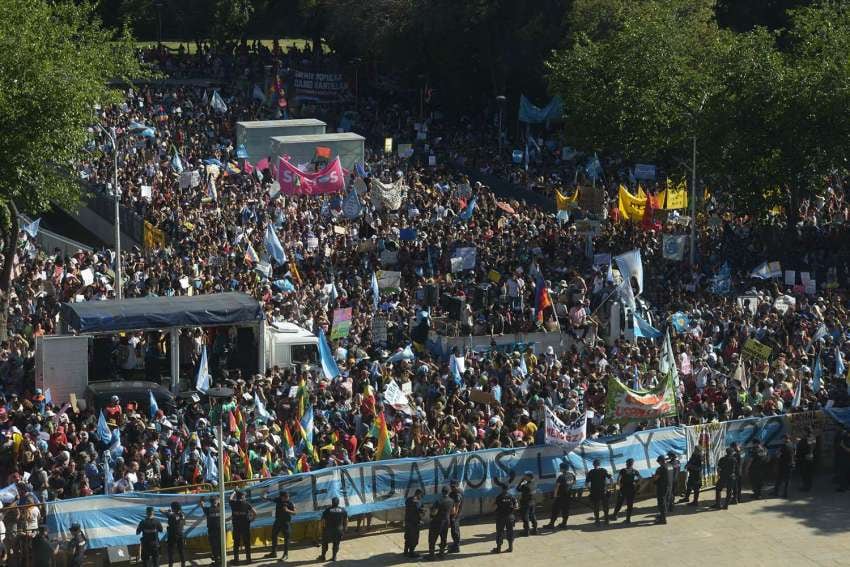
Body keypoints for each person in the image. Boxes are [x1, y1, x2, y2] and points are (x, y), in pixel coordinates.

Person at [265, 487, 296, 560]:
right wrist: (265, 493)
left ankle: (285, 555)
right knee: (273, 536)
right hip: (277, 522)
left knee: (286, 538)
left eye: (288, 496)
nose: (287, 498)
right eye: (285, 497)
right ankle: (273, 553)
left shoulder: (290, 503)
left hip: (286, 523)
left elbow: (295, 513)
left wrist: (288, 510)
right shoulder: (278, 500)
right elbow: (266, 498)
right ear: (281, 497)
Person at [230, 489, 257, 563]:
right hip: (245, 524)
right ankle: (248, 559)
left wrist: (234, 493)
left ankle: (236, 560)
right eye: (244, 495)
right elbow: (255, 512)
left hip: (236, 525)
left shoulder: (233, 503)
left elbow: (230, 498)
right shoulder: (246, 504)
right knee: (247, 542)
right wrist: (252, 519)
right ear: (242, 496)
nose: (245, 496)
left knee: (236, 542)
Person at [427, 487, 454, 559]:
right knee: (443, 538)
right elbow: (452, 512)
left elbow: (434, 512)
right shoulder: (451, 501)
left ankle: (431, 555)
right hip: (446, 521)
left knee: (432, 538)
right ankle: (441, 553)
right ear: (448, 492)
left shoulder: (439, 501)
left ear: (442, 492)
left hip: (437, 522)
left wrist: (431, 513)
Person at [612, 458, 641, 523]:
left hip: (623, 489)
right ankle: (628, 519)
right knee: (630, 504)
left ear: (626, 463)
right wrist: (636, 485)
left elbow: (618, 480)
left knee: (619, 503)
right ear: (632, 464)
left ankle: (614, 515)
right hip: (631, 489)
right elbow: (640, 478)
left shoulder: (623, 470)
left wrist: (619, 486)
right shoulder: (635, 471)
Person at [492, 481, 518, 553]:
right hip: (510, 517)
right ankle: (510, 548)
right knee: (510, 532)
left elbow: (493, 506)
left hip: (501, 517)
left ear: (502, 489)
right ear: (508, 489)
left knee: (500, 532)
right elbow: (516, 506)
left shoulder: (499, 497)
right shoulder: (512, 496)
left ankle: (498, 548)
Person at [319, 496, 348, 562]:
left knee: (325, 543)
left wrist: (322, 529)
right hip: (338, 530)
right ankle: (334, 557)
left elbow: (322, 521)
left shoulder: (327, 510)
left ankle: (323, 557)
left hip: (328, 530)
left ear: (332, 502)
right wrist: (345, 528)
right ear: (338, 503)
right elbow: (346, 520)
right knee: (336, 544)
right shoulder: (343, 510)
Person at [548, 462, 575, 529]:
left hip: (560, 496)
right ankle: (564, 524)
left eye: (560, 468)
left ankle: (551, 524)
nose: (559, 469)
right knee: (565, 510)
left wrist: (555, 495)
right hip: (568, 495)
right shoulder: (571, 475)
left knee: (555, 510)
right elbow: (574, 482)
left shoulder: (561, 476)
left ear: (563, 469)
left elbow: (557, 486)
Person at [586, 459, 612, 526]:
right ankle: (606, 520)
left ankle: (597, 521)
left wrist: (590, 490)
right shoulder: (603, 470)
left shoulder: (591, 472)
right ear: (599, 464)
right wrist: (608, 487)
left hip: (594, 491)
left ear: (593, 464)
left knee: (596, 506)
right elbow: (610, 478)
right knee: (605, 506)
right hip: (603, 491)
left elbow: (587, 483)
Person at [161, 501, 185, 567]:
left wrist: (168, 511)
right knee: (181, 550)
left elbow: (160, 510)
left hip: (172, 535)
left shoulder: (171, 515)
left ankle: (171, 565)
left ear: (173, 508)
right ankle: (183, 563)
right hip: (180, 534)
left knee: (171, 551)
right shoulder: (182, 514)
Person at [200, 496, 222, 564]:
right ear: (217, 502)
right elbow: (202, 505)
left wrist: (202, 499)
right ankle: (220, 559)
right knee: (219, 544)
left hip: (213, 530)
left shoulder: (208, 509)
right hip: (219, 530)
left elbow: (202, 505)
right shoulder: (221, 509)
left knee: (214, 545)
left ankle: (216, 560)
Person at [404, 489, 424, 557]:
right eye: (421, 495)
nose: (421, 497)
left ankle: (406, 551)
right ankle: (411, 553)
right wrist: (422, 513)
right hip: (414, 524)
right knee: (414, 539)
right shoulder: (418, 502)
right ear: (419, 494)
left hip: (407, 522)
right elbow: (420, 513)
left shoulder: (408, 500)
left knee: (407, 537)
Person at [516, 471, 537, 536]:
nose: (524, 477)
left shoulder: (525, 486)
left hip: (526, 503)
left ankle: (526, 531)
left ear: (528, 477)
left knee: (525, 517)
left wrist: (521, 481)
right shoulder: (534, 483)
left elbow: (517, 489)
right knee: (532, 515)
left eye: (525, 476)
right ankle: (535, 529)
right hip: (532, 502)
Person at [448, 479, 463, 553]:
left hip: (455, 515)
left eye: (453, 486)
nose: (452, 487)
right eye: (451, 486)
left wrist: (454, 516)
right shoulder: (454, 492)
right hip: (454, 514)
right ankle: (455, 544)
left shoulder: (457, 494)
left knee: (455, 530)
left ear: (457, 485)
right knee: (455, 529)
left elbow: (457, 506)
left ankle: (456, 547)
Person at [653, 455, 669, 524]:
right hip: (668, 486)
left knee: (661, 502)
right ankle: (663, 516)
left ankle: (663, 519)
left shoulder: (660, 468)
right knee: (665, 501)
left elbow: (656, 478)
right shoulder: (669, 466)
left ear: (660, 461)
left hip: (661, 487)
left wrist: (654, 477)